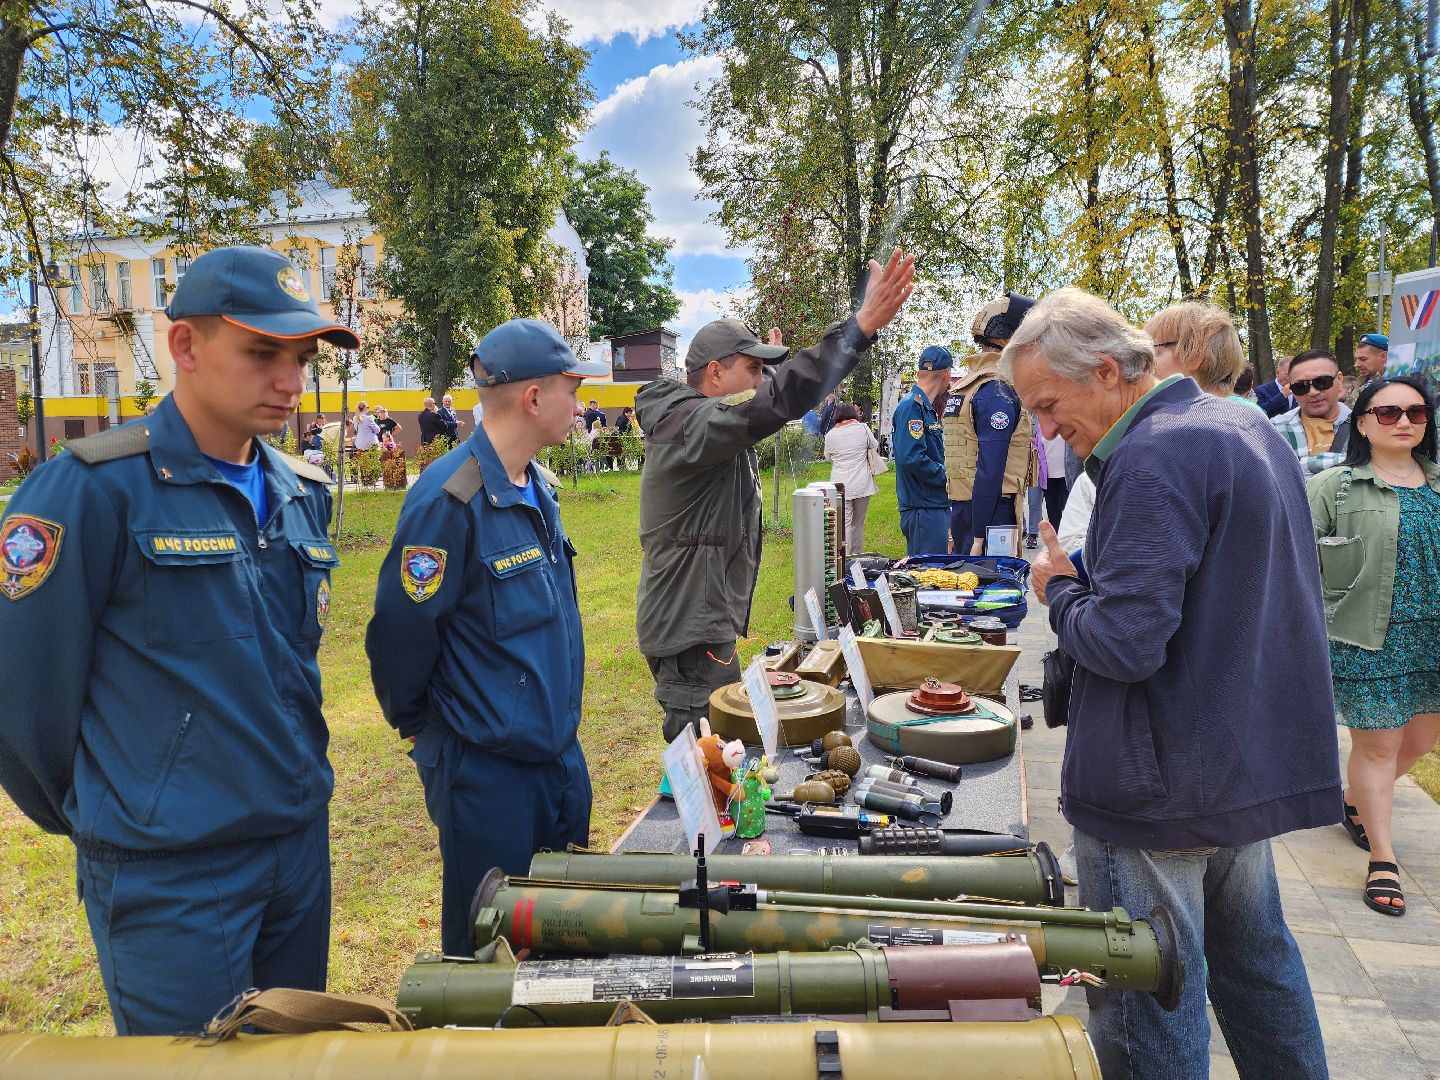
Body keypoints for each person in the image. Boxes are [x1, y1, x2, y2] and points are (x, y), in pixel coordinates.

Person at [0, 245, 351, 1035]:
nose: (291, 382)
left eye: (299, 357)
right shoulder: (92, 489)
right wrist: (126, 813)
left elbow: (287, 666)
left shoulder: (301, 492)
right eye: (263, 353)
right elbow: (22, 699)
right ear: (184, 346)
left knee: (292, 1058)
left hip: (295, 851)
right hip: (174, 880)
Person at [1009, 287, 1337, 1079]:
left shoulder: (1153, 456)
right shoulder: (1243, 424)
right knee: (1260, 971)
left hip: (1155, 785)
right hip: (1234, 763)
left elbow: (1123, 645)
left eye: (1048, 405)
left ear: (1107, 372)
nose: (1045, 430)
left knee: (1147, 1005)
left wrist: (1057, 589)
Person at [367, 318, 607, 958]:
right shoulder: (449, 500)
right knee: (489, 958)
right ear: (534, 398)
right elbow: (400, 634)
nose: (580, 405)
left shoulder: (536, 487)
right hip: (488, 775)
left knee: (562, 945)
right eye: (572, 388)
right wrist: (423, 729)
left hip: (556, 760)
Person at [637, 248, 915, 741]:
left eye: (767, 372)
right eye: (752, 369)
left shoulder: (699, 422)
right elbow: (776, 403)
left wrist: (774, 374)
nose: (762, 381)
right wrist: (858, 328)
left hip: (701, 621)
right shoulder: (691, 423)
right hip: (689, 628)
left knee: (718, 754)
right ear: (716, 374)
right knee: (707, 761)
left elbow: (770, 402)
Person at [1308, 375, 1440, 918]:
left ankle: (1355, 802)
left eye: (1415, 412)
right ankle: (1382, 858)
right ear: (1362, 423)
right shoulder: (1335, 486)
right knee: (1379, 748)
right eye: (1387, 413)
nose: (1404, 421)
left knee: (1424, 738)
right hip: (1367, 636)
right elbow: (1300, 566)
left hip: (1432, 637)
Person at [944, 292, 1037, 555]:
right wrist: (979, 536)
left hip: (965, 508)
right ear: (1010, 337)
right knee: (996, 589)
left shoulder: (968, 386)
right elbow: (990, 468)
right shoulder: (997, 391)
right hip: (992, 513)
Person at [1144, 300, 1259, 412]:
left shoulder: (1180, 425)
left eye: (1154, 353)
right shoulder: (1248, 416)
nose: (1143, 366)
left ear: (1194, 355)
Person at [892, 345, 951, 556]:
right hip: (923, 509)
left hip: (930, 507)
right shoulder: (912, 407)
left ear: (919, 373)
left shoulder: (923, 406)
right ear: (947, 374)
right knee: (928, 578)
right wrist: (946, 476)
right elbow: (912, 458)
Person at [1273, 349, 1351, 474]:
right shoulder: (1275, 430)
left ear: (1339, 378)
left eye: (1322, 382)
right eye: (1300, 386)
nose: (1313, 392)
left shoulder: (1367, 424)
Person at [824, 402, 880, 551]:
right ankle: (856, 555)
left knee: (844, 523)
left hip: (840, 484)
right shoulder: (863, 428)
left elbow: (828, 457)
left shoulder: (830, 435)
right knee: (858, 523)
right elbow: (874, 445)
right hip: (862, 483)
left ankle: (845, 558)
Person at [1345, 332, 1389, 407]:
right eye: (1357, 359)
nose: (1356, 365)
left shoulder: (1393, 386)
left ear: (1383, 356)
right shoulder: (1358, 384)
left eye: (1363, 359)